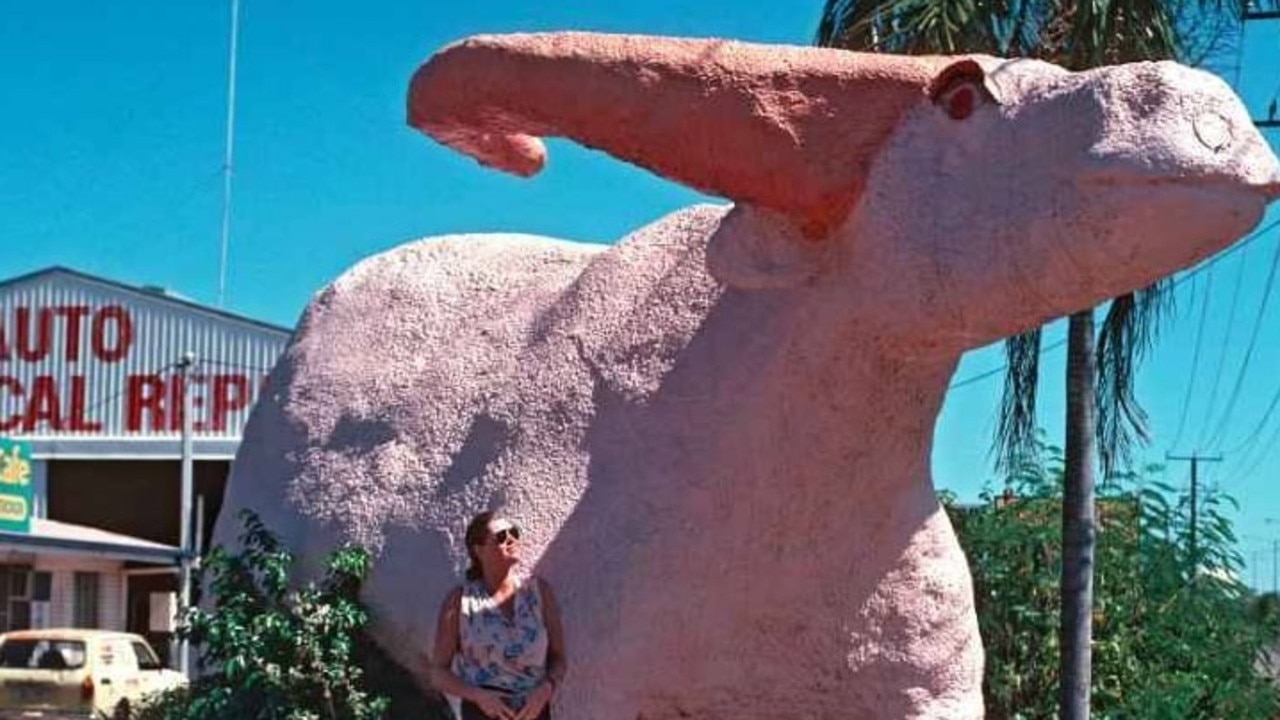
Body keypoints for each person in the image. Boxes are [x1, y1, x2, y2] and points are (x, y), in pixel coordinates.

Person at [428, 511, 567, 720]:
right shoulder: (461, 601)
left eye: (514, 533)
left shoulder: (538, 593)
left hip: (534, 711)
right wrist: (478, 696)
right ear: (479, 551)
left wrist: (546, 689)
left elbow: (559, 658)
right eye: (501, 536)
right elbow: (438, 674)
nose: (511, 539)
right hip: (483, 712)